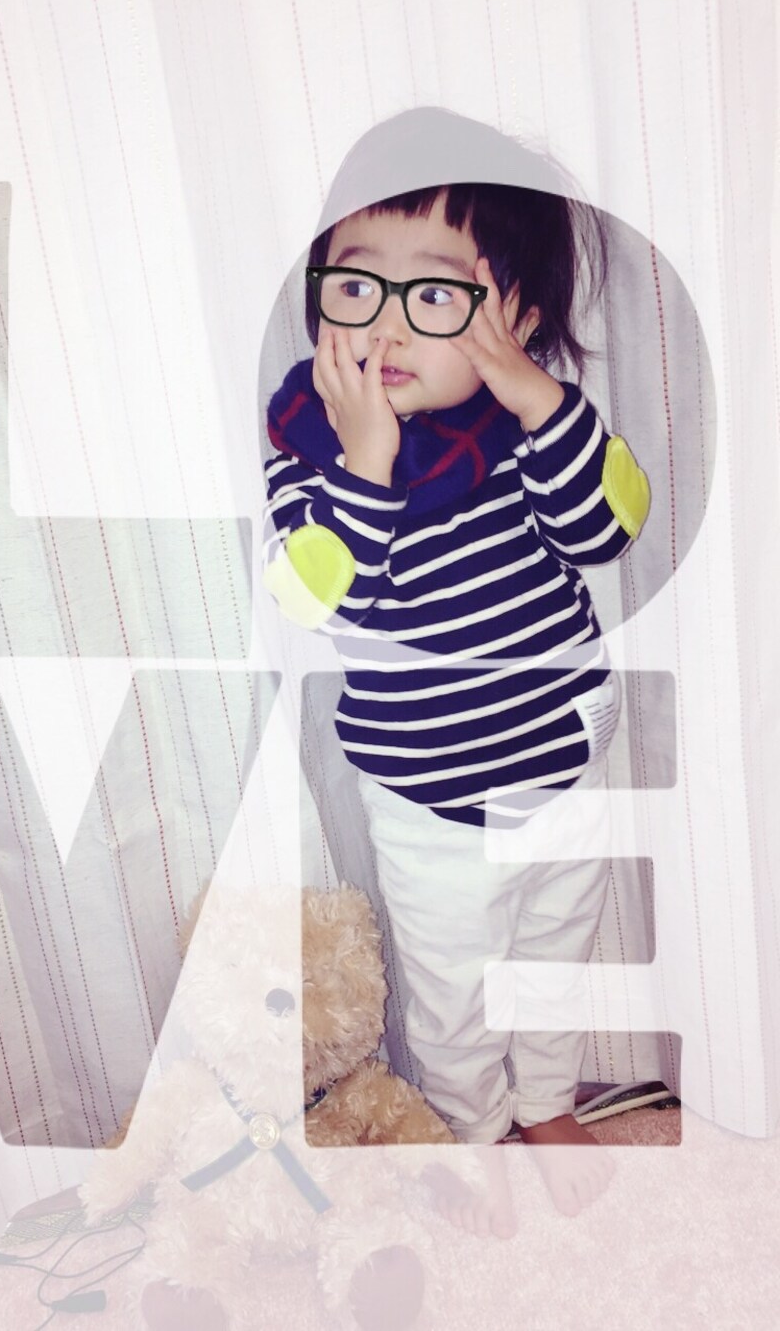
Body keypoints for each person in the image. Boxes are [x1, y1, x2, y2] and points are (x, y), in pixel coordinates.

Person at [261, 113, 651, 1237]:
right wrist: (369, 461)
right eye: (356, 285)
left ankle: (546, 1102)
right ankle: (474, 1132)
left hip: (561, 764)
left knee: (555, 950)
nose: (385, 324)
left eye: (433, 293)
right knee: (453, 989)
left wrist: (534, 396)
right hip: (432, 800)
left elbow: (609, 527)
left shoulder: (525, 426)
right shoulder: (311, 450)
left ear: (513, 318)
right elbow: (325, 602)